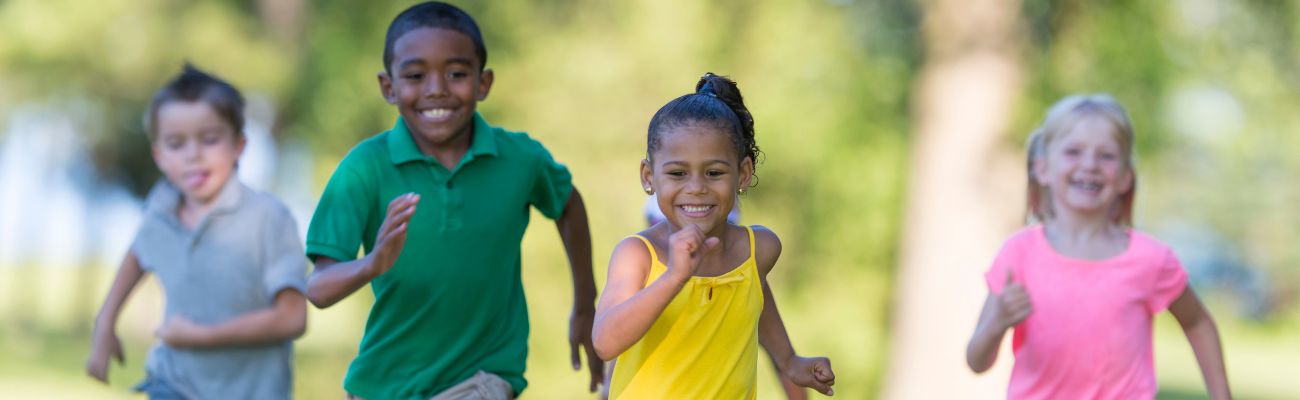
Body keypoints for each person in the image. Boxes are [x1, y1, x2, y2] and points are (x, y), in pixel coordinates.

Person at [302, 2, 600, 398]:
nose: (437, 88)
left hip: (483, 378)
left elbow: (568, 204)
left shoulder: (520, 160)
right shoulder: (364, 169)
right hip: (381, 386)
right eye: (415, 75)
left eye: (456, 73)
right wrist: (372, 263)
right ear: (388, 87)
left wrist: (585, 304)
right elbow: (319, 289)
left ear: (483, 82)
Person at [965, 94, 1231, 399]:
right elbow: (977, 361)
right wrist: (996, 324)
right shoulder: (1019, 253)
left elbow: (1198, 323)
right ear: (1043, 169)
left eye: (1106, 155)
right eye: (1073, 152)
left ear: (1125, 178)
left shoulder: (1150, 260)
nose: (1089, 165)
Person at [593, 73, 836, 399]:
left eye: (714, 173)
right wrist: (674, 278)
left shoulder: (759, 249)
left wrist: (789, 360)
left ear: (743, 174)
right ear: (649, 176)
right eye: (678, 173)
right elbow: (605, 342)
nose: (696, 188)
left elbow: (754, 298)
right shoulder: (637, 254)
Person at [85, 63, 308, 399]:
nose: (193, 155)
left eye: (210, 139)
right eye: (176, 143)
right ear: (159, 155)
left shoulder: (268, 218)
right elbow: (138, 252)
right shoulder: (159, 214)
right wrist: (105, 322)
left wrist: (199, 336)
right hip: (173, 383)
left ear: (239, 146)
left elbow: (292, 319)